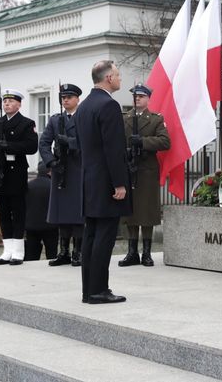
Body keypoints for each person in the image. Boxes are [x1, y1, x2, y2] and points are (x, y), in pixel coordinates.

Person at [74, 60, 131, 304]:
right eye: (117, 75)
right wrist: (119, 183)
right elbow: (114, 149)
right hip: (106, 182)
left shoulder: (84, 106)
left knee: (91, 236)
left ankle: (89, 290)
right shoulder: (108, 105)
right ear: (108, 78)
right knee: (104, 237)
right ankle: (99, 290)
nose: (120, 79)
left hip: (89, 180)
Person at [0, 89, 38, 266]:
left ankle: (18, 251)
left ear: (19, 104)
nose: (7, 104)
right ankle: (7, 250)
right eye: (5, 102)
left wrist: (9, 145)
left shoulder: (26, 123)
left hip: (16, 172)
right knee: (3, 212)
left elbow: (31, 146)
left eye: (11, 102)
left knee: (18, 212)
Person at [118, 84, 170, 267]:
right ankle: (132, 252)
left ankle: (146, 252)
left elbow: (165, 142)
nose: (137, 99)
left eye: (141, 96)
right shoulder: (125, 118)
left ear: (148, 99)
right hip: (129, 168)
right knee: (130, 211)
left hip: (147, 169)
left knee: (147, 211)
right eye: (135, 96)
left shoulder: (156, 119)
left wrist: (143, 142)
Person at [39, 83, 85, 267]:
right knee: (61, 213)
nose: (65, 100)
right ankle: (63, 251)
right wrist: (50, 162)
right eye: (63, 98)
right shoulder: (55, 120)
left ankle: (78, 252)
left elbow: (89, 142)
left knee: (77, 213)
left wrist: (71, 142)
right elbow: (43, 143)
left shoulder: (83, 118)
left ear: (77, 99)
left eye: (69, 97)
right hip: (60, 169)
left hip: (78, 169)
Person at [24, 162, 59, 260]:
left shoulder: (28, 186)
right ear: (50, 172)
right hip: (50, 226)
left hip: (31, 226)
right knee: (52, 255)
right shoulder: (54, 187)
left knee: (31, 256)